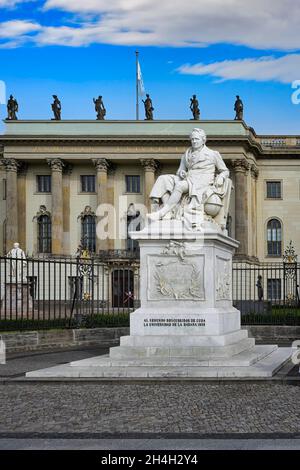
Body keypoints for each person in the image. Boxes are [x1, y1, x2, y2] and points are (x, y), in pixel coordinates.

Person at [147, 128, 229, 221]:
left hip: (202, 182)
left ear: (203, 140)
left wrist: (221, 177)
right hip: (188, 179)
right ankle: (169, 211)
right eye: (192, 139)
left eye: (196, 139)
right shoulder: (186, 155)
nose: (194, 141)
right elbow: (180, 171)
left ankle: (162, 213)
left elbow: (225, 171)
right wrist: (181, 173)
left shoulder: (212, 154)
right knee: (163, 179)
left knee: (180, 185)